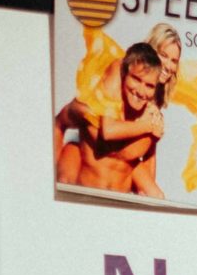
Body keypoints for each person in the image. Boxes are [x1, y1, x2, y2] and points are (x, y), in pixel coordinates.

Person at [52, 41, 168, 196]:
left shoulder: (153, 121)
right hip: (82, 198)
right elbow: (58, 123)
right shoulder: (87, 109)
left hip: (116, 203)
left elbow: (148, 169)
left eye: (149, 86)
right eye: (136, 79)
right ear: (124, 74)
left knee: (157, 195)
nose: (141, 91)